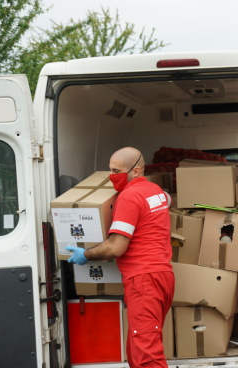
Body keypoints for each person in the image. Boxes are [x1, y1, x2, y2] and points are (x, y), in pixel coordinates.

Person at [66, 147, 174, 368]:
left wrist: (86, 254)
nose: (111, 176)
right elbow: (166, 201)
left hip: (143, 280)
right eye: (110, 169)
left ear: (136, 171)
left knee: (146, 353)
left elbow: (116, 247)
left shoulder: (129, 197)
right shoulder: (155, 191)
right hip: (162, 276)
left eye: (116, 170)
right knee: (137, 346)